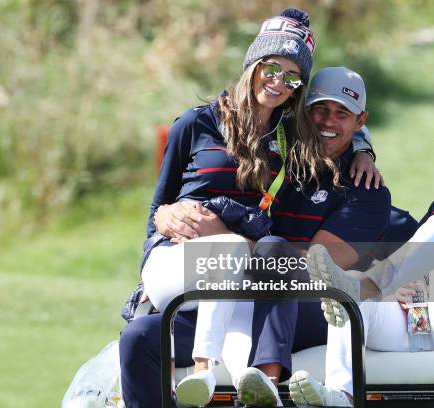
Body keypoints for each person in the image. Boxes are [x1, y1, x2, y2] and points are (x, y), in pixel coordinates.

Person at [119, 8, 379, 407]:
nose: (279, 82)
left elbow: (338, 130)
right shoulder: (194, 124)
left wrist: (364, 149)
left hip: (250, 275)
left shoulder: (293, 141)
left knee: (256, 254)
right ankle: (207, 369)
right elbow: (159, 204)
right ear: (254, 64)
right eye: (272, 68)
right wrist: (163, 216)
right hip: (188, 262)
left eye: (293, 77)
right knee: (141, 336)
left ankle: (257, 385)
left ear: (297, 90)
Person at [175, 66, 392, 407]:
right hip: (237, 290)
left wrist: (232, 238)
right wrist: (173, 212)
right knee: (142, 335)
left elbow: (317, 267)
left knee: (275, 249)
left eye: (342, 113)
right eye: (320, 109)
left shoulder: (367, 191)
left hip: (314, 307)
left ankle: (268, 382)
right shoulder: (275, 156)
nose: (328, 121)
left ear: (360, 120)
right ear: (303, 111)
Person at [289, 201, 434, 406]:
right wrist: (397, 287)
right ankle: (341, 396)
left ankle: (367, 285)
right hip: (418, 319)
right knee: (349, 296)